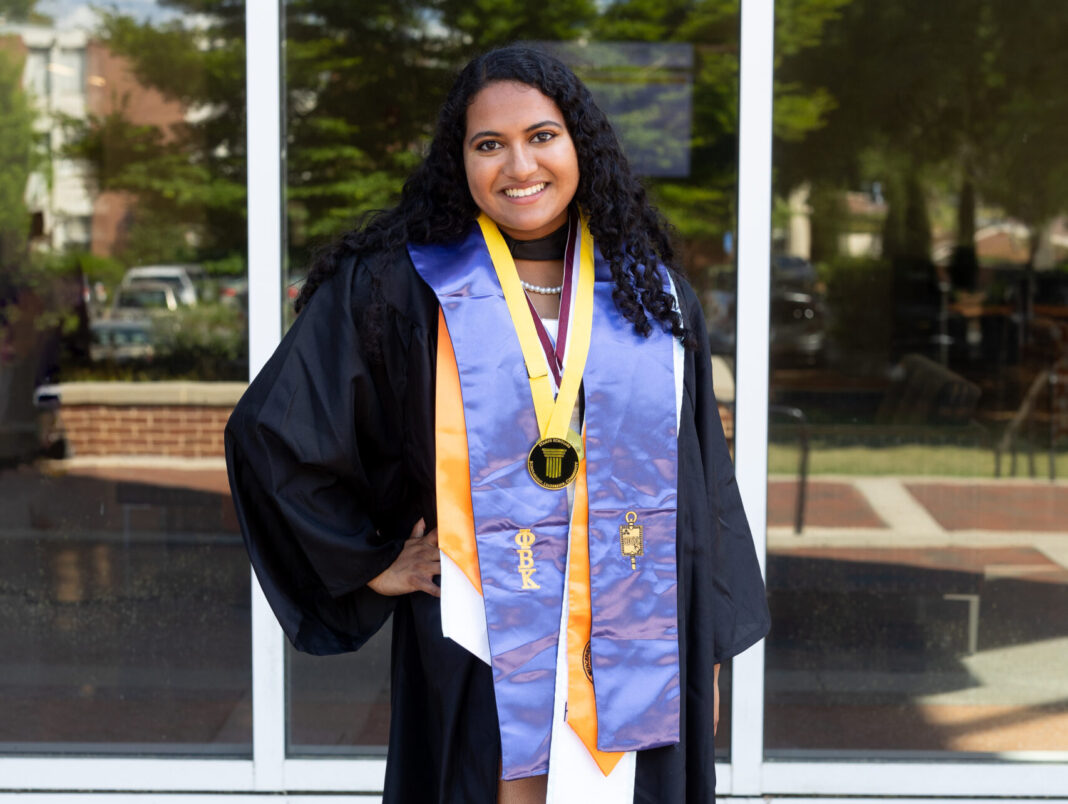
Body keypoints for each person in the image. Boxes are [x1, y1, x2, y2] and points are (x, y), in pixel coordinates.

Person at [226, 45, 769, 804]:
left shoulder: (651, 293)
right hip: (482, 635)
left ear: (580, 143)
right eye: (490, 145)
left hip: (632, 633)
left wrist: (704, 646)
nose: (520, 166)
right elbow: (274, 432)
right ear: (461, 160)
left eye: (542, 136)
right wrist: (374, 563)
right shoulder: (404, 286)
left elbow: (702, 474)